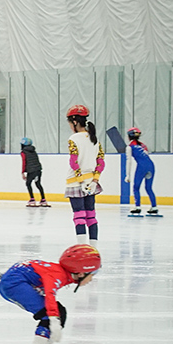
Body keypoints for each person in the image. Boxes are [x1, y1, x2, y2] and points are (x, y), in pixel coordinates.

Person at [0, 244, 101, 344]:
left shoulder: (60, 272)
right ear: (81, 273)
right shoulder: (58, 275)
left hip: (16, 281)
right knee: (48, 314)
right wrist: (53, 320)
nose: (92, 278)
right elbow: (50, 295)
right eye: (93, 273)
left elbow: (32, 266)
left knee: (59, 312)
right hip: (14, 285)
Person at [65, 105, 104, 246]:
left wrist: (81, 181)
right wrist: (94, 180)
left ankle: (82, 248)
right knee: (91, 216)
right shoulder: (94, 139)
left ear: (74, 122)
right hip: (91, 183)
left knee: (79, 216)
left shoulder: (74, 138)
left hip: (76, 183)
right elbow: (100, 162)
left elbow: (73, 162)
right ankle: (93, 249)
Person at [125, 128, 158, 215]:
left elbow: (129, 161)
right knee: (149, 187)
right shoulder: (143, 145)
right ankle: (154, 206)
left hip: (141, 167)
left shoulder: (130, 147)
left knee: (136, 187)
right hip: (151, 166)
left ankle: (137, 207)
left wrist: (127, 175)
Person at [20, 137, 47, 207]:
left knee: (28, 183)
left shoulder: (23, 153)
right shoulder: (33, 151)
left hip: (31, 171)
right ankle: (43, 199)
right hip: (38, 170)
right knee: (38, 184)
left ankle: (32, 199)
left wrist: (23, 172)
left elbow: (24, 162)